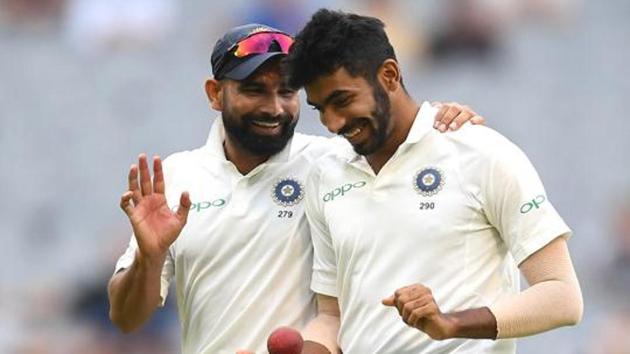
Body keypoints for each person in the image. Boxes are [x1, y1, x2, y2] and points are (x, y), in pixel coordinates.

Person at [107, 23, 483, 354]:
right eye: (255, 90)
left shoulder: (336, 162)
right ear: (214, 93)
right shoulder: (176, 176)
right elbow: (126, 319)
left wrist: (445, 119)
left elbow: (411, 143)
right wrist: (149, 257)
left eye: (286, 92)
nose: (274, 108)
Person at [285, 9, 583, 353]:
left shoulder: (480, 152)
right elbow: (333, 318)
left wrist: (452, 323)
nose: (333, 122)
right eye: (320, 108)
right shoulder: (326, 175)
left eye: (343, 100)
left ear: (390, 75)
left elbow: (562, 296)